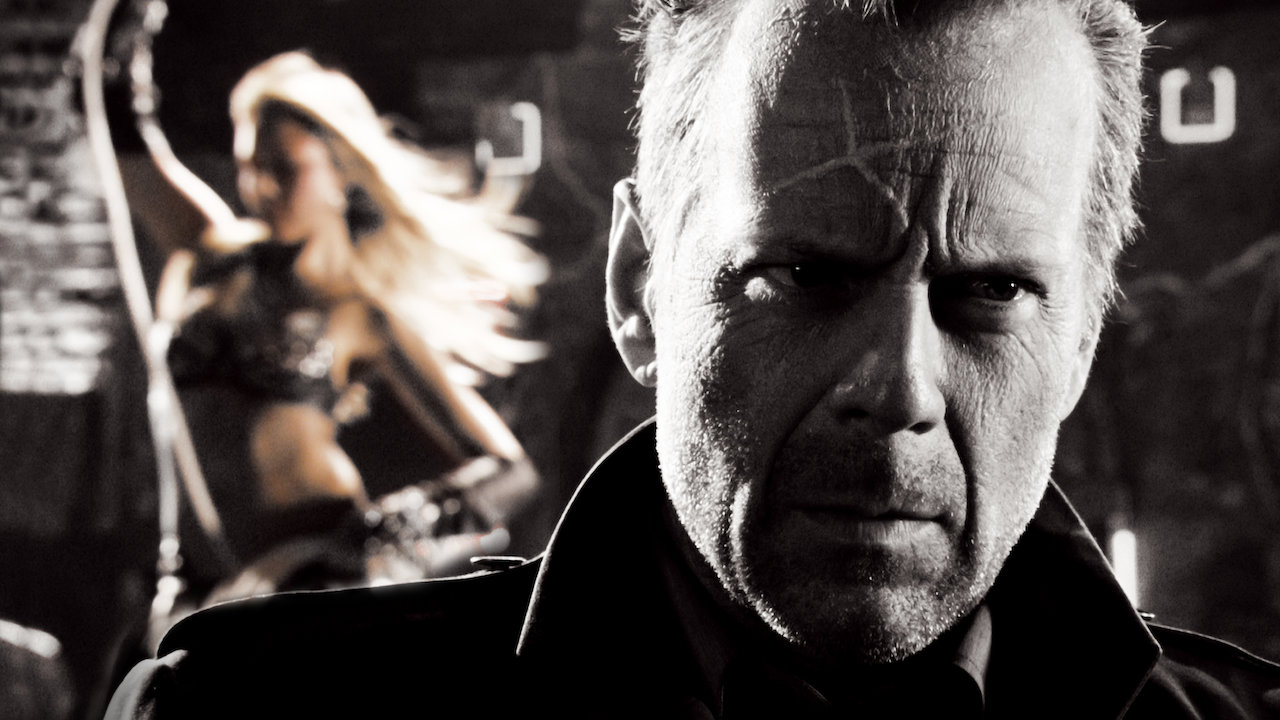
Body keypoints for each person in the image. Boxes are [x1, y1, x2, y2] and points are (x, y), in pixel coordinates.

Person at [105, 1, 1280, 718]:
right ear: (638, 285)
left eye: (990, 293)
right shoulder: (251, 710)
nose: (898, 388)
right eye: (804, 274)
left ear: (1079, 338)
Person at [135, 51, 548, 602]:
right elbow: (126, 149)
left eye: (284, 168)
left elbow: (511, 470)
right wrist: (116, 46)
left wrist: (378, 539)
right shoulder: (215, 257)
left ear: (340, 176)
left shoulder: (360, 312)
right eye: (248, 166)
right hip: (198, 582)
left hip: (308, 585)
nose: (260, 188)